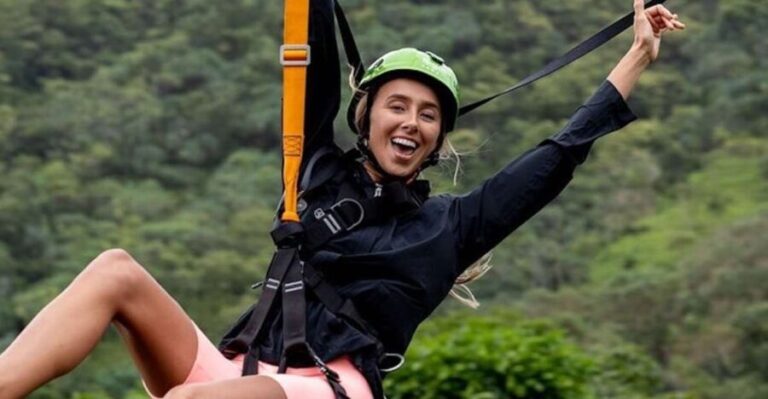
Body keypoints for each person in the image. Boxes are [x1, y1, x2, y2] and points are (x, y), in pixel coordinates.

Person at [0, 1, 685, 398]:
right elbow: (314, 44)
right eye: (396, 106)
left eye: (426, 113)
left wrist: (632, 61)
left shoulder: (451, 226)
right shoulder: (316, 172)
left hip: (327, 388)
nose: (410, 122)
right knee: (118, 269)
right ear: (367, 116)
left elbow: (554, 158)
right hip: (238, 372)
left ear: (440, 133)